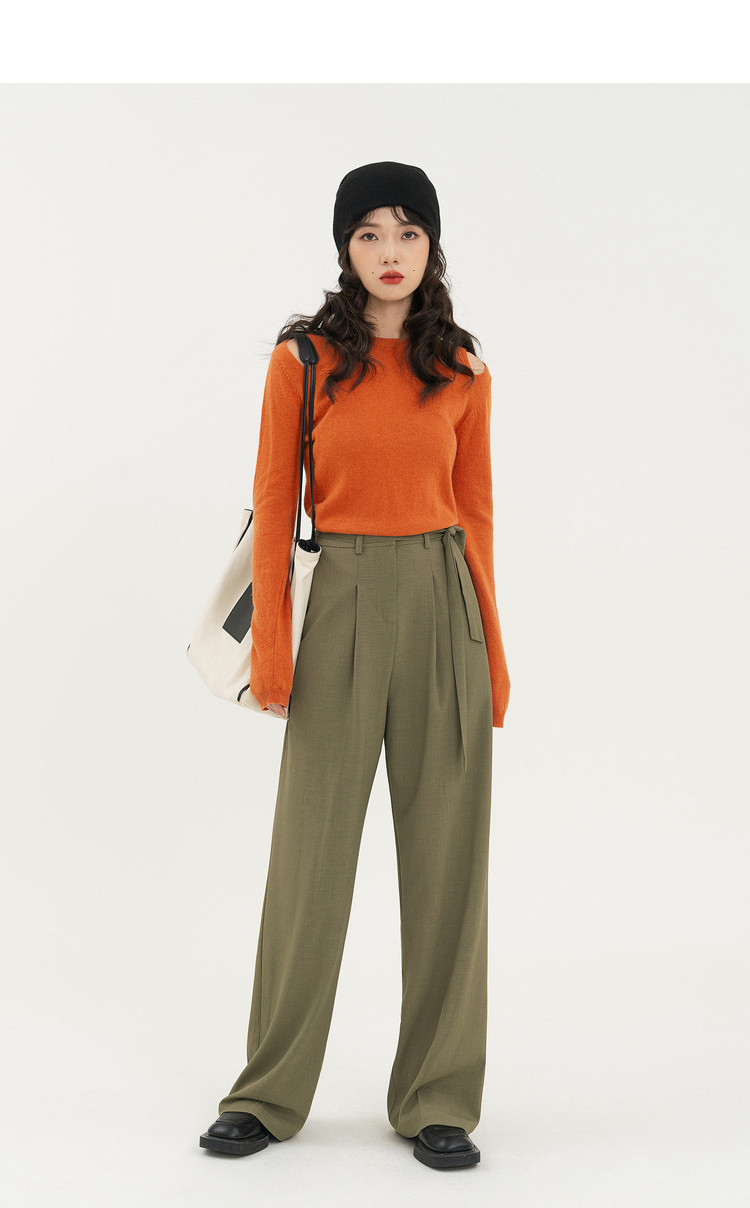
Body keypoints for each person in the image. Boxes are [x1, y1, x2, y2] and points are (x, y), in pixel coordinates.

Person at [199, 161, 511, 1171]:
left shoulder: (462, 365)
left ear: (432, 247)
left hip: (444, 605)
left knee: (449, 863)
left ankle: (438, 1097)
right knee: (310, 859)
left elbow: (477, 515)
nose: (390, 252)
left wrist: (495, 651)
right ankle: (267, 1090)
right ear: (344, 247)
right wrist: (274, 651)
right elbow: (273, 503)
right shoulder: (304, 358)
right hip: (337, 602)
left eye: (408, 232)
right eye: (370, 232)